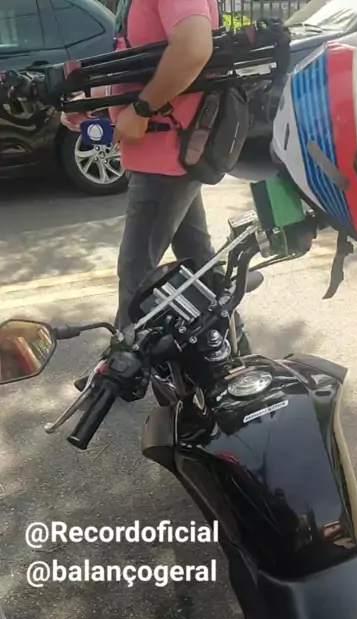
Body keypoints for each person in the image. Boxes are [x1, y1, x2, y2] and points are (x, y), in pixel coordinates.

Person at [62, 0, 255, 391]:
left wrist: (141, 109)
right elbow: (142, 63)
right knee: (197, 260)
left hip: (166, 158)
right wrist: (94, 107)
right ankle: (236, 347)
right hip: (162, 155)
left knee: (136, 268)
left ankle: (119, 370)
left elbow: (193, 47)